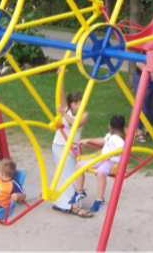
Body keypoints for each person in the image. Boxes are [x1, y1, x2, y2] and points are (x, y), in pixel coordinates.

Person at [51, 69, 90, 217]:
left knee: (73, 174)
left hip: (73, 147)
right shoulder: (66, 107)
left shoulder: (84, 114)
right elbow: (60, 94)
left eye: (80, 102)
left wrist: (64, 113)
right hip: (61, 145)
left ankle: (64, 202)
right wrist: (61, 76)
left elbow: (75, 124)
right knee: (67, 175)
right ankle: (71, 204)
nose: (78, 105)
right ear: (70, 103)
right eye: (75, 102)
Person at [72, 114, 126, 214]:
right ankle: (80, 192)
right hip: (102, 158)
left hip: (111, 162)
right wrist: (89, 140)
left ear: (110, 126)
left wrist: (111, 155)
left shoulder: (117, 138)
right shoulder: (111, 136)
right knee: (79, 165)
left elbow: (123, 148)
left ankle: (99, 199)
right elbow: (103, 140)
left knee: (100, 173)